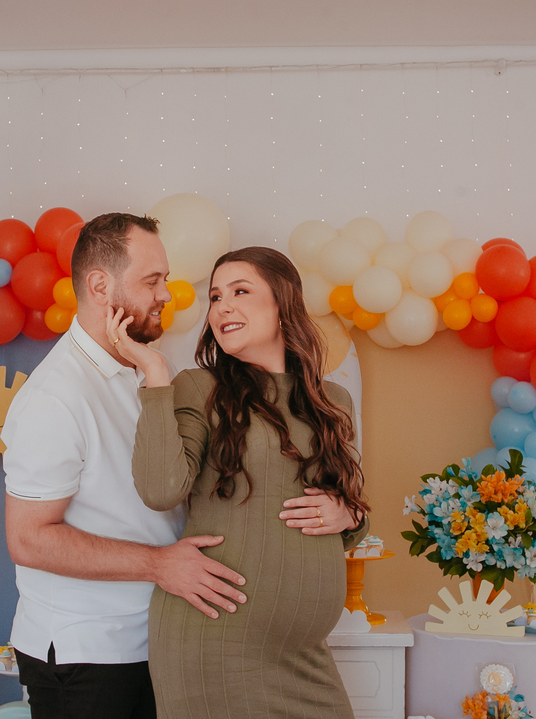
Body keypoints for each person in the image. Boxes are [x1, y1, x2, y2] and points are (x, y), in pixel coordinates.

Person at [0, 213, 248, 719]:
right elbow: (28, 539)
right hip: (85, 655)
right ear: (99, 286)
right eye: (152, 281)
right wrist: (161, 565)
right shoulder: (55, 397)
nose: (166, 295)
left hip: (151, 639)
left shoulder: (148, 368)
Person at [112, 246, 370, 719]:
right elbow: (160, 489)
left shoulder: (334, 400)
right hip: (215, 643)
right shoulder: (197, 387)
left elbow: (354, 517)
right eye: (215, 296)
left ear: (282, 302)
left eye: (240, 291)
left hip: (303, 655)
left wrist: (347, 513)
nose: (221, 306)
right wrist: (154, 376)